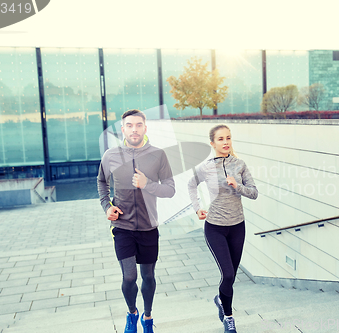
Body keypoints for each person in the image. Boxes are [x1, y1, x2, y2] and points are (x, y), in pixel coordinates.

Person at [97, 109, 175, 333]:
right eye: (129, 125)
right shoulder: (110, 155)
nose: (134, 129)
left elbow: (170, 190)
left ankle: (147, 318)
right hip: (122, 227)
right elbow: (102, 182)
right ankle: (132, 313)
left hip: (149, 226)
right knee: (129, 276)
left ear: (145, 128)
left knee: (148, 276)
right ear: (123, 129)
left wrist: (147, 184)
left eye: (138, 125)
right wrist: (107, 206)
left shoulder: (158, 155)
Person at [187, 124, 258, 333]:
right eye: (220, 139)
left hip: (237, 227)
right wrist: (197, 208)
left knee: (232, 277)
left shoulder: (240, 165)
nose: (226, 142)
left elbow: (254, 193)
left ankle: (220, 299)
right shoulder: (206, 167)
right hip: (215, 228)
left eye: (228, 138)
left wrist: (238, 185)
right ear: (212, 143)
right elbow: (191, 184)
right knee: (227, 275)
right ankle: (229, 317)